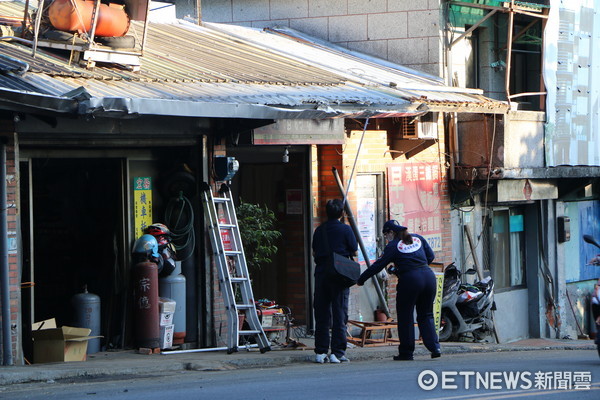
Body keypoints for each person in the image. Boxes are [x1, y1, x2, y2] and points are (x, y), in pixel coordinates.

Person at [357, 220, 441, 360]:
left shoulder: (393, 246)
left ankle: (406, 352)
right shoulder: (417, 238)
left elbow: (378, 265)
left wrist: (361, 279)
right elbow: (430, 257)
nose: (386, 238)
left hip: (410, 281)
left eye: (386, 235)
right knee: (426, 315)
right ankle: (435, 347)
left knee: (405, 316)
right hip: (429, 278)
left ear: (391, 232)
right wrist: (413, 266)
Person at [312, 199, 358, 363]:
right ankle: (337, 352)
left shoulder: (319, 230)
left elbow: (314, 252)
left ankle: (320, 351)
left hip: (322, 273)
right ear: (342, 213)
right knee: (339, 314)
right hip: (340, 275)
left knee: (322, 313)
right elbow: (354, 249)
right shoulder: (346, 229)